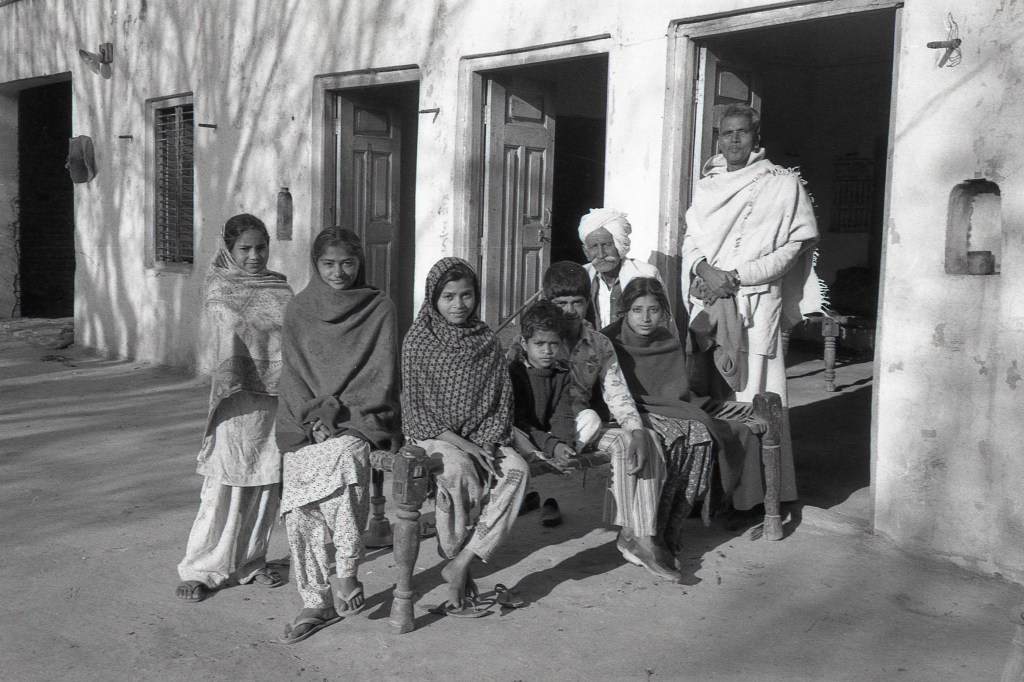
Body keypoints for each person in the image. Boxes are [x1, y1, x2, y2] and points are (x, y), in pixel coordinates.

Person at [681, 103, 824, 512]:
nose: (734, 140)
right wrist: (704, 269)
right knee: (709, 397)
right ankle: (712, 493)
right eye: (727, 133)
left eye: (742, 132)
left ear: (756, 136)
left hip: (755, 304)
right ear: (718, 138)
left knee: (756, 397)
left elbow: (794, 247)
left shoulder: (782, 183)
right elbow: (691, 240)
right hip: (710, 304)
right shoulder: (707, 186)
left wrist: (739, 275)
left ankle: (757, 496)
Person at [510, 261, 680, 581]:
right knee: (595, 424)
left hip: (578, 426)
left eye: (578, 302)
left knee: (643, 441)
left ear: (588, 301)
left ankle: (637, 535)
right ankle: (637, 536)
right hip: (533, 430)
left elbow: (617, 393)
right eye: (561, 303)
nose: (570, 311)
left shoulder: (598, 344)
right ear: (547, 301)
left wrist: (636, 430)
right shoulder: (535, 339)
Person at [275, 227, 400, 643]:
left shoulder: (378, 307)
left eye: (347, 263)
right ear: (315, 264)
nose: (338, 272)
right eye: (328, 264)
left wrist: (341, 419)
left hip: (360, 416)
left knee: (344, 463)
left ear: (360, 262)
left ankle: (346, 572)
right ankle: (315, 599)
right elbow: (293, 373)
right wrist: (313, 418)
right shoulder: (298, 309)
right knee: (298, 500)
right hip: (307, 418)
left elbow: (380, 374)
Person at [401, 257, 531, 616]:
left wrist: (487, 443)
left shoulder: (485, 340)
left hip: (483, 434)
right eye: (448, 297)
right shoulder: (417, 342)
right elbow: (418, 413)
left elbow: (500, 400)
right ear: (433, 299)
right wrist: (467, 446)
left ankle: (460, 564)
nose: (459, 305)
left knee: (517, 471)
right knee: (458, 469)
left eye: (466, 295)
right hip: (432, 435)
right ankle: (455, 555)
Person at [176, 213, 293, 603]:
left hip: (276, 401)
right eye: (245, 249)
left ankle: (251, 562)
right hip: (237, 400)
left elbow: (294, 331)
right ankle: (200, 569)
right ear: (229, 249)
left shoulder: (279, 286)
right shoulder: (220, 287)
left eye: (261, 248)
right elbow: (229, 331)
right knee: (226, 484)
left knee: (266, 481)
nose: (255, 256)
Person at [604, 277, 763, 555]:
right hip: (625, 412)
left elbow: (675, 394)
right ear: (625, 311)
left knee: (700, 434)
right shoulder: (609, 341)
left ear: (663, 312)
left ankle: (673, 524)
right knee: (674, 437)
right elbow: (608, 393)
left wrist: (665, 413)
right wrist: (641, 416)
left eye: (653, 310)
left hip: (667, 408)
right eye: (637, 310)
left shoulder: (666, 341)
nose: (645, 318)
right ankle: (650, 527)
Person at [508, 301, 586, 526]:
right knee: (512, 432)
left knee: (590, 419)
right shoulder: (515, 371)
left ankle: (563, 455)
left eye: (553, 344)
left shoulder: (561, 371)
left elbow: (562, 413)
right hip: (524, 435)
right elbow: (519, 420)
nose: (547, 351)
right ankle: (546, 457)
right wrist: (552, 445)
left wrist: (562, 443)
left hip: (547, 433)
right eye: (539, 343)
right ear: (524, 343)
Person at [578, 208, 665, 329]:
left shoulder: (645, 273)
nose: (601, 254)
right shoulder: (581, 275)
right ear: (586, 251)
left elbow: (663, 321)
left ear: (619, 246)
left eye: (607, 245)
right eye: (594, 246)